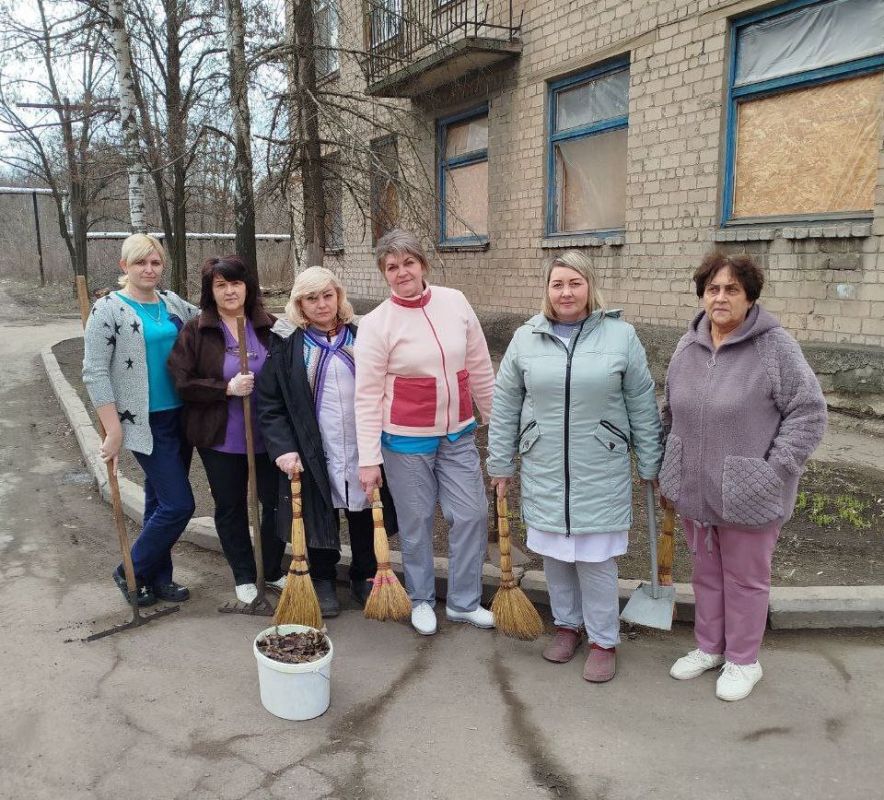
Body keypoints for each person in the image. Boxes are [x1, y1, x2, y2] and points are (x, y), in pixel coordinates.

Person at [487, 251, 662, 682]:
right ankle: (567, 625)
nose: (566, 292)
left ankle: (603, 640)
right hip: (544, 465)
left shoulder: (621, 336)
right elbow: (505, 404)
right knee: (556, 556)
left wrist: (651, 461)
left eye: (574, 283)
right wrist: (500, 463)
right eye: (557, 284)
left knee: (596, 560)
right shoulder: (526, 338)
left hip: (600, 467)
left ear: (589, 286)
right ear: (547, 290)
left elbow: (641, 401)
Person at [660, 252, 827, 701]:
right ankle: (709, 647)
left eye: (731, 289)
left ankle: (743, 660)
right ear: (702, 295)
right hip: (694, 488)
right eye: (713, 289)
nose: (720, 297)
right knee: (706, 576)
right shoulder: (688, 345)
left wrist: (775, 470)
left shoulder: (775, 347)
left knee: (745, 580)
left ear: (750, 297)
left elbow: (809, 413)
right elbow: (670, 411)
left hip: (752, 491)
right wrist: (666, 465)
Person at [354, 229, 496, 636]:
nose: (402, 272)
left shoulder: (455, 302)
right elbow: (367, 396)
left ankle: (464, 602)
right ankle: (420, 599)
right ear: (384, 273)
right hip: (405, 440)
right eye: (392, 267)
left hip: (458, 434)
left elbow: (479, 367)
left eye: (408, 263)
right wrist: (369, 460)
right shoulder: (377, 323)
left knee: (471, 514)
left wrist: (497, 426)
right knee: (416, 521)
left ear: (422, 264)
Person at [257, 266, 392, 617]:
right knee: (319, 511)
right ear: (299, 304)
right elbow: (270, 403)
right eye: (311, 298)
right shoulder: (287, 346)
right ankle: (323, 578)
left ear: (338, 296)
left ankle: (364, 574)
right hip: (314, 446)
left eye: (327, 296)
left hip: (363, 444)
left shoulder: (362, 337)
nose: (321, 304)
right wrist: (283, 448)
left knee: (365, 511)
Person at [82, 233, 199, 606]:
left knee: (158, 500)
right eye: (140, 262)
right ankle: (129, 571)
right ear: (124, 266)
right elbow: (94, 371)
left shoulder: (172, 303)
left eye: (155, 262)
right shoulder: (108, 309)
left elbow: (215, 319)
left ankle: (158, 579)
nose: (149, 269)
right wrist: (113, 428)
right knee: (179, 505)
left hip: (181, 417)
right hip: (145, 422)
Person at [167, 256, 286, 605]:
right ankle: (244, 574)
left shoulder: (269, 326)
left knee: (275, 504)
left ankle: (271, 568)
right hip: (220, 437)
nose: (230, 291)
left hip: (269, 435)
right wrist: (226, 388)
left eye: (235, 283)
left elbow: (290, 372)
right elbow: (181, 381)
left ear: (247, 287)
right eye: (221, 285)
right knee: (231, 506)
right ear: (211, 290)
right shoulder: (197, 330)